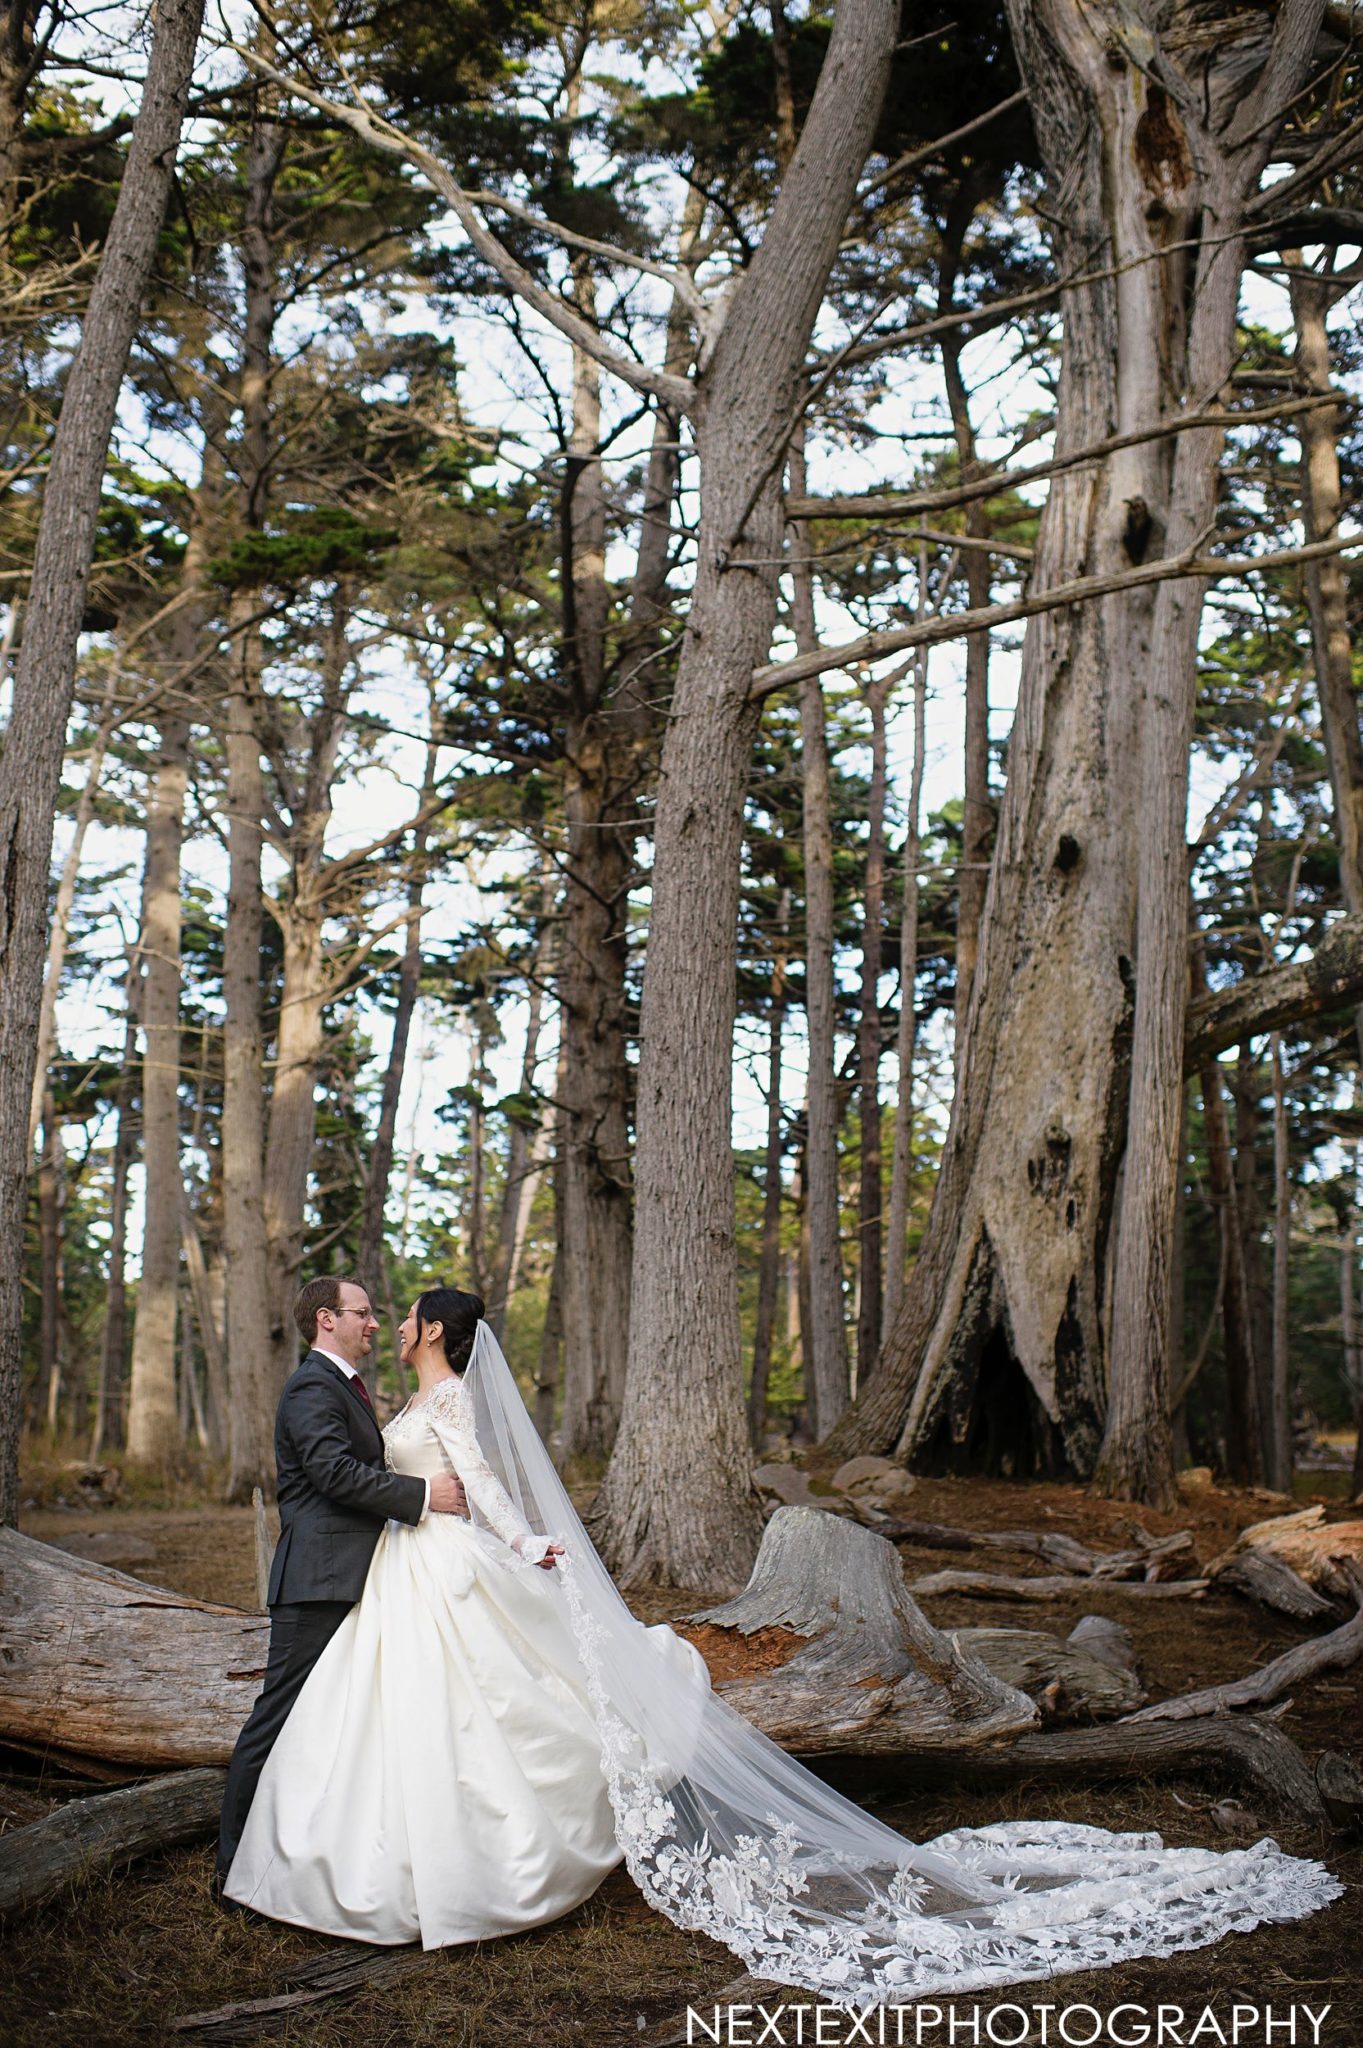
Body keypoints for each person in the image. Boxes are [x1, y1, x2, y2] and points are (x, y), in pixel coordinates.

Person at [224, 1286, 1343, 2006]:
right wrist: (441, 1502)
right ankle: (361, 1856)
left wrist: (523, 1539)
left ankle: (447, 1859)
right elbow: (371, 1475)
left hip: (444, 1557)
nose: (388, 1319)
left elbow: (488, 1486)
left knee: (478, 1706)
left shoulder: (450, 1394)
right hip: (403, 1568)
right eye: (374, 1312)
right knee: (393, 1711)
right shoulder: (367, 1393)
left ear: (431, 1331)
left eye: (400, 1312)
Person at [215, 1276, 471, 1890]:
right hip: (318, 1580)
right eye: (363, 1312)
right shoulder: (311, 1386)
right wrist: (422, 1493)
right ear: (327, 1320)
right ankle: (233, 1864)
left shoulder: (343, 1386)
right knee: (276, 1718)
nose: (375, 1323)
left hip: (357, 1576)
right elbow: (332, 1472)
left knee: (335, 1722)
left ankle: (317, 1851)